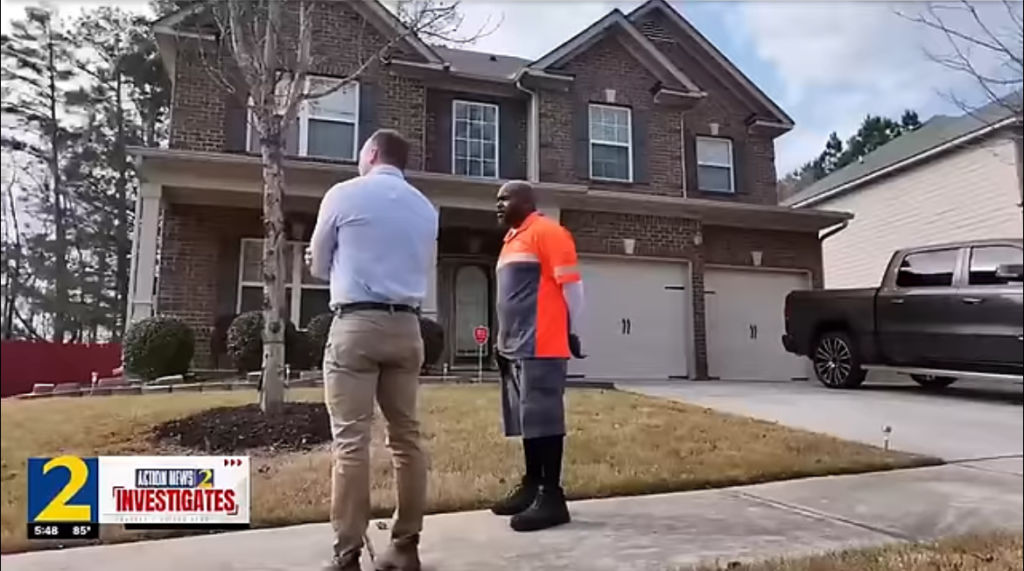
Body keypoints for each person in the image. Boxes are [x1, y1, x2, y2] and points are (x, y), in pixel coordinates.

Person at [308, 129, 438, 571]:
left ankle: (346, 554)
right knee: (407, 439)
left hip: (357, 325)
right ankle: (405, 545)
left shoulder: (344, 194)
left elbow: (319, 260)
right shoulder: (425, 207)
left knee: (351, 442)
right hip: (407, 326)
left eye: (361, 153)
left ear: (372, 153)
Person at [491, 180, 586, 532]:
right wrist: (501, 342)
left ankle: (552, 497)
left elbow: (573, 288)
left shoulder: (549, 232)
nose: (498, 205)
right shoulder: (511, 240)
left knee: (544, 418)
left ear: (527, 201)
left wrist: (570, 331)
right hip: (515, 346)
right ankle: (532, 486)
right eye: (496, 200)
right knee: (527, 420)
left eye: (505, 199)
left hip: (542, 342)